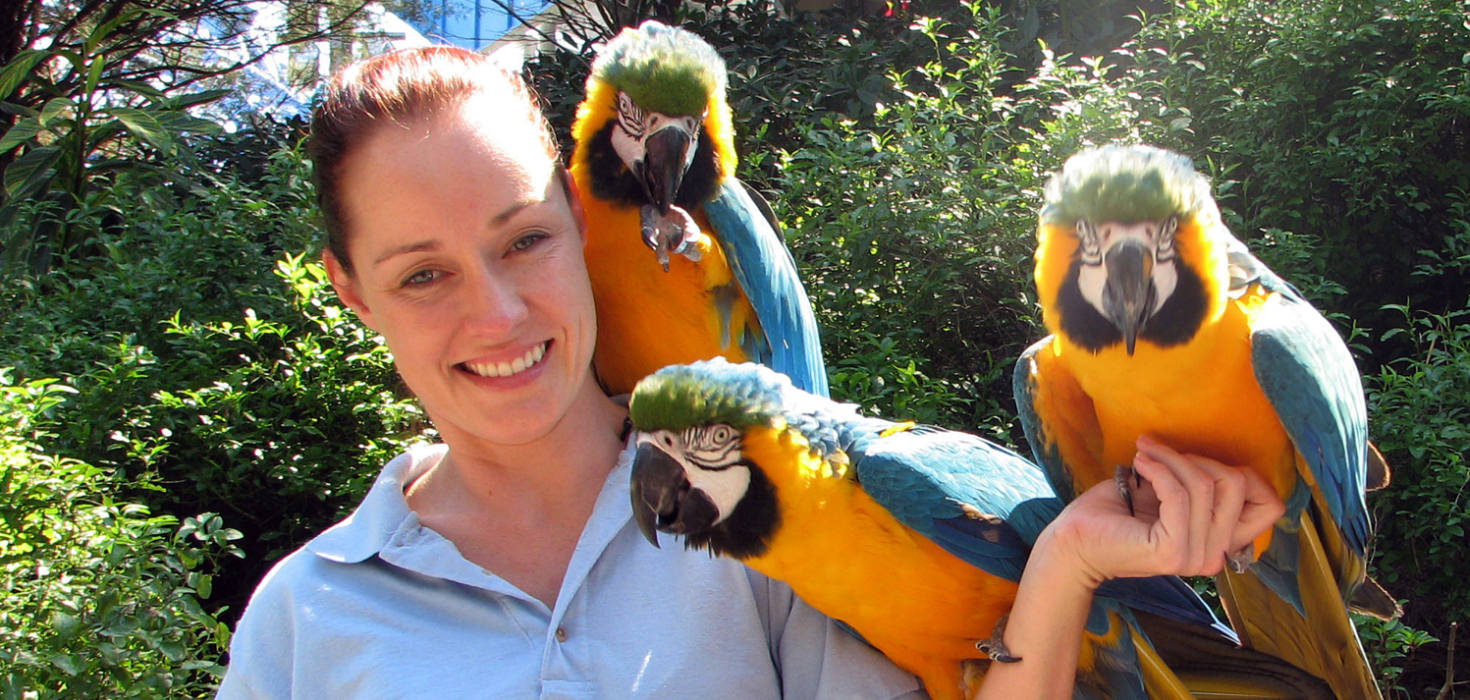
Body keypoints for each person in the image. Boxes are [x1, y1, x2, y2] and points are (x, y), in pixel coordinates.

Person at [217, 45, 1283, 699]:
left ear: (580, 224)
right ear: (351, 292)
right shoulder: (309, 613)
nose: (495, 313)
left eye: (524, 242)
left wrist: (1067, 560)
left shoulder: (749, 516)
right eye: (421, 275)